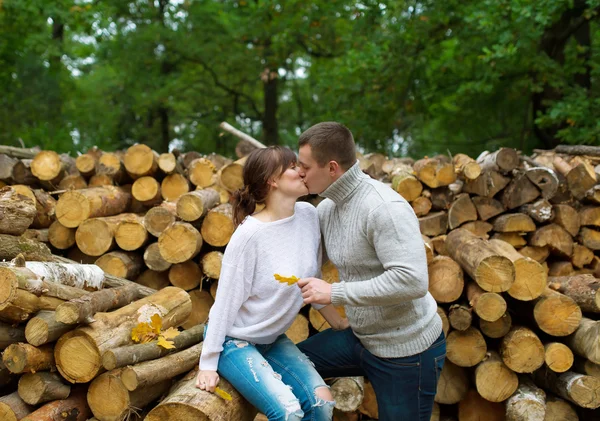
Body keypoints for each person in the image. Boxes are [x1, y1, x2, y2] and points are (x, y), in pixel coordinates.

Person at [295, 122, 445, 421]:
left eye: (305, 167)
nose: (299, 173)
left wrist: (334, 292)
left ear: (333, 168)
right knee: (286, 364)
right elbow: (303, 264)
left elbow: (412, 281)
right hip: (359, 338)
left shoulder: (383, 207)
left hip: (406, 352)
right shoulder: (327, 208)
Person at [196, 145, 345, 421]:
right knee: (288, 413)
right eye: (292, 167)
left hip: (272, 339)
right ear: (272, 181)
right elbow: (225, 305)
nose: (301, 171)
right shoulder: (249, 237)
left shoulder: (308, 216)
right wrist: (208, 364)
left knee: (322, 403)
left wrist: (339, 324)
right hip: (235, 341)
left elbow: (312, 281)